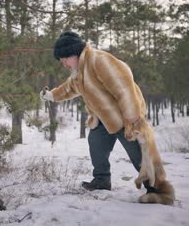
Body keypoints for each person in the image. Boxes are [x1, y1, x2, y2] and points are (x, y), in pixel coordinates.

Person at [40, 31, 158, 195]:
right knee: (96, 144)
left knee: (137, 153)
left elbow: (125, 88)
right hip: (103, 118)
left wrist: (132, 119)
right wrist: (52, 95)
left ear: (74, 53)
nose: (64, 63)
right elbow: (70, 88)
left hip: (125, 116)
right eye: (61, 61)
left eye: (65, 59)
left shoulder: (99, 60)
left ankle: (155, 187)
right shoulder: (79, 71)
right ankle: (102, 180)